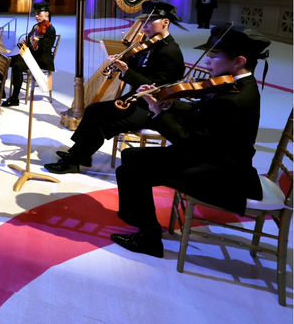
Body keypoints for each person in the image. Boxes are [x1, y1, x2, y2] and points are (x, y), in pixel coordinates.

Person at [110, 26, 270, 258]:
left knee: (133, 171)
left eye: (214, 56)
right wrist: (170, 103)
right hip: (210, 154)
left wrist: (158, 112)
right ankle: (140, 220)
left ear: (239, 61)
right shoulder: (235, 83)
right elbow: (201, 111)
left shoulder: (235, 98)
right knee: (131, 156)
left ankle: (149, 240)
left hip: (221, 171)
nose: (208, 61)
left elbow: (189, 140)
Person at [44, 0, 186, 174]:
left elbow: (153, 88)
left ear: (166, 22)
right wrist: (121, 61)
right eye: (144, 22)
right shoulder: (151, 44)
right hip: (136, 100)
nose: (145, 26)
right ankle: (81, 153)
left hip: (152, 108)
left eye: (150, 21)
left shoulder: (170, 52)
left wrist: (126, 70)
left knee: (102, 123)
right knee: (93, 109)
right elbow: (137, 70)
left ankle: (73, 162)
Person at [3, 1, 56, 107]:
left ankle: (14, 98)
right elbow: (29, 40)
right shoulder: (37, 26)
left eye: (39, 13)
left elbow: (44, 50)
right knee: (5, 60)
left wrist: (34, 42)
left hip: (41, 59)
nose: (36, 16)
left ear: (47, 14)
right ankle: (1, 91)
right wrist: (25, 41)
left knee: (17, 66)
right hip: (31, 55)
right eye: (35, 14)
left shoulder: (49, 29)